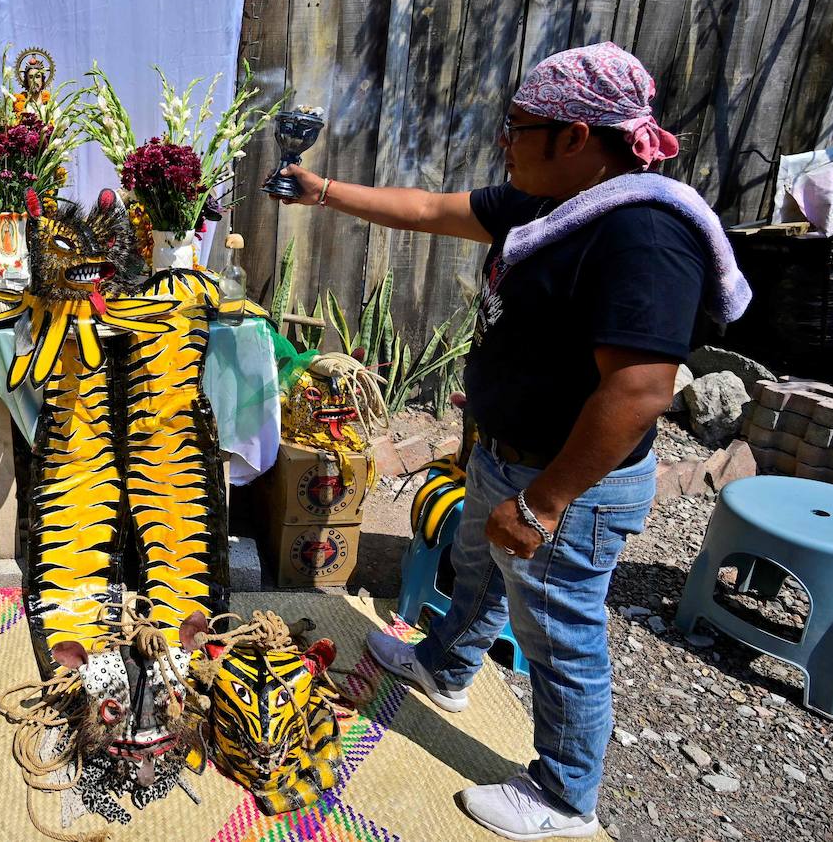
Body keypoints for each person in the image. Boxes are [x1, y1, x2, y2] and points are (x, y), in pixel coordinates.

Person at [272, 43, 750, 840]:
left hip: (571, 485)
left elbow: (640, 390)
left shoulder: (639, 235)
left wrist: (542, 504)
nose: (505, 140)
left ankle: (566, 796)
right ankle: (446, 668)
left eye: (518, 126)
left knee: (558, 634)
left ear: (575, 137)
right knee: (477, 574)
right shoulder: (550, 199)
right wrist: (319, 190)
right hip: (508, 453)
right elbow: (429, 211)